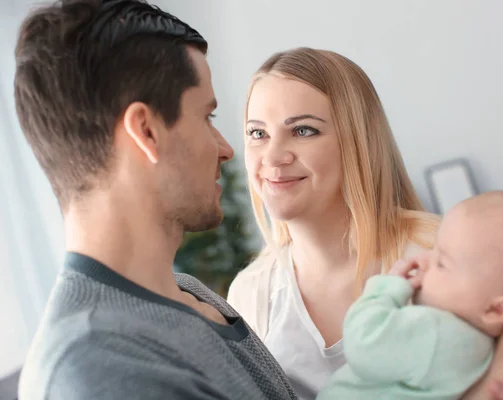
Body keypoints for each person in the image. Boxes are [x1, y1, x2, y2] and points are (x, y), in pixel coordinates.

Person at [227, 47, 503, 400]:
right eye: (257, 133)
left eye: (303, 130)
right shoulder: (249, 295)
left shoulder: (438, 252)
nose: (272, 156)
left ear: (359, 141)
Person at [14, 1, 297, 399]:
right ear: (146, 131)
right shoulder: (97, 369)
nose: (226, 149)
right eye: (207, 117)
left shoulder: (188, 293)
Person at [317, 191, 503, 400]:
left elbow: (364, 343)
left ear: (496, 310)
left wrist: (385, 289)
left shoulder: (437, 334)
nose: (423, 260)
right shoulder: (479, 352)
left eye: (442, 262)